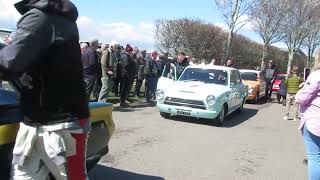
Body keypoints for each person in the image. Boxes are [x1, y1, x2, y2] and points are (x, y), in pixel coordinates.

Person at [0, 0, 90, 179]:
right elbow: (42, 64)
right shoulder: (57, 17)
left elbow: (9, 63)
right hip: (40, 121)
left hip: (59, 125)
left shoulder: (40, 17)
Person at [295, 50, 320, 180]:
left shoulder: (316, 75)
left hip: (315, 121)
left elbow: (303, 98)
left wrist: (299, 92)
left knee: (315, 157)